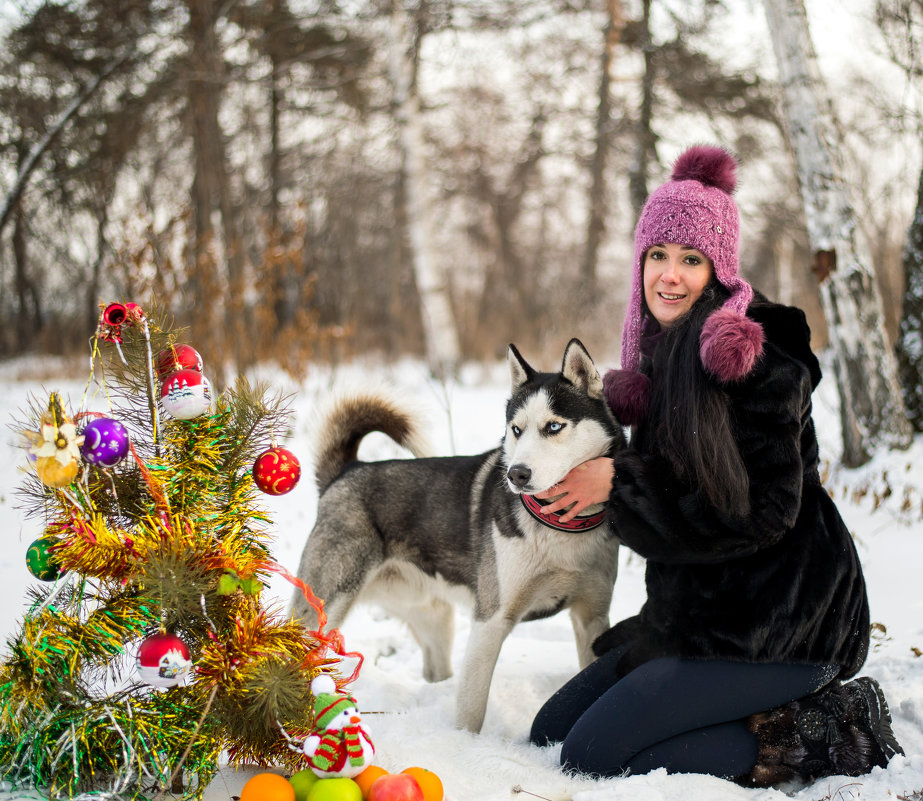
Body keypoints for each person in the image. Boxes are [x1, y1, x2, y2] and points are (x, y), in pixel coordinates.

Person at [528, 145, 904, 786]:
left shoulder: (755, 365)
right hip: (697, 618)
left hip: (783, 626)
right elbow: (673, 491)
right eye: (657, 256)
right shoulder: (660, 357)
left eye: (691, 260)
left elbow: (762, 514)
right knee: (550, 731)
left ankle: (835, 729)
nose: (669, 277)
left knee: (590, 758)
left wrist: (620, 486)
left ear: (719, 270)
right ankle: (715, 705)